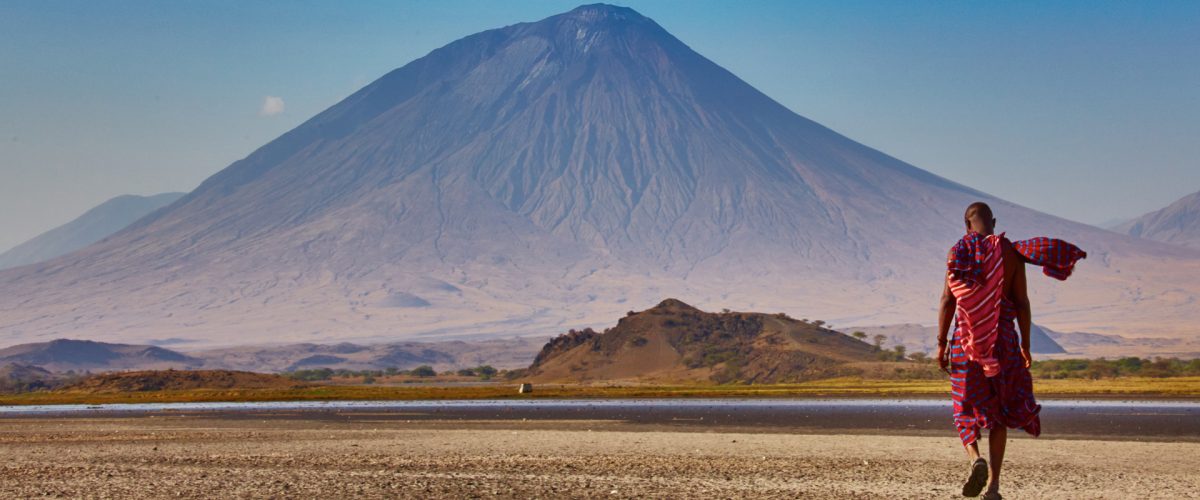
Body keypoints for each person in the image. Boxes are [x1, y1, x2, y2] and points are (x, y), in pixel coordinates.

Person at [936, 202, 1086, 499]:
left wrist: (941, 343)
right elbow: (1022, 303)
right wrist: (1025, 344)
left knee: (963, 407)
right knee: (1000, 414)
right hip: (1002, 343)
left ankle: (974, 458)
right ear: (994, 221)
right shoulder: (1012, 254)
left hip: (966, 343)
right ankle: (993, 487)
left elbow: (947, 300)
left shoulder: (958, 253)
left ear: (967, 226)